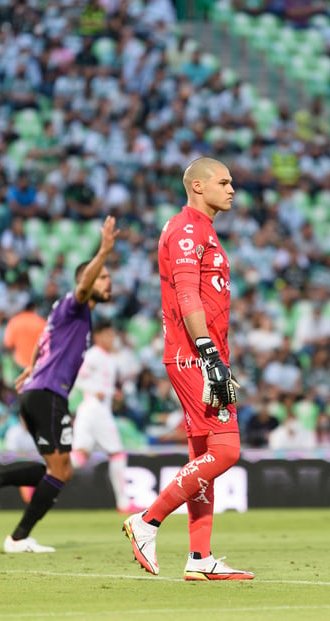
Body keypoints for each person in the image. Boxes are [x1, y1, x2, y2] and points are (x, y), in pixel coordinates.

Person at [122, 157, 254, 581]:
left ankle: (200, 558)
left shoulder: (203, 229)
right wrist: (208, 353)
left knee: (203, 456)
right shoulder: (187, 229)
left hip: (201, 352)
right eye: (224, 181)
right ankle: (147, 520)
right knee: (227, 451)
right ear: (197, 186)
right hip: (195, 355)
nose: (232, 189)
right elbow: (185, 294)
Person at [0, 216, 120, 553]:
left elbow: (45, 341)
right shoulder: (75, 306)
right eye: (103, 277)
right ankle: (17, 538)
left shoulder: (67, 316)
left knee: (59, 470)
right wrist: (102, 252)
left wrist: (31, 365)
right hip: (48, 395)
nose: (108, 283)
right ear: (86, 282)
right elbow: (83, 286)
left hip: (38, 393)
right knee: (60, 471)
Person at [70, 318, 143, 514]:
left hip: (90, 411)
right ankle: (123, 503)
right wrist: (96, 390)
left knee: (79, 457)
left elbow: (103, 385)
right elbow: (76, 378)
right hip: (95, 410)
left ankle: (40, 478)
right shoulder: (94, 355)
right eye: (108, 335)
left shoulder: (109, 358)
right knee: (117, 453)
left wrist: (112, 393)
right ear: (97, 336)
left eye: (113, 335)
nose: (111, 338)